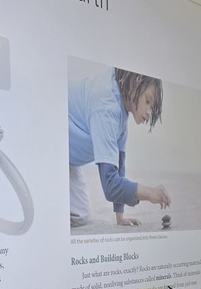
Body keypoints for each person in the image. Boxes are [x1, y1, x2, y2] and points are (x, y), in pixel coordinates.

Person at [68, 66, 171, 227]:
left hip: (69, 159)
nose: (149, 111)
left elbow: (118, 168)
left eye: (152, 106)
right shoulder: (107, 106)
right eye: (148, 101)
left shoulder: (122, 113)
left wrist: (120, 217)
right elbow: (110, 184)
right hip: (51, 141)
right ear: (135, 84)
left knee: (81, 216)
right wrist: (150, 193)